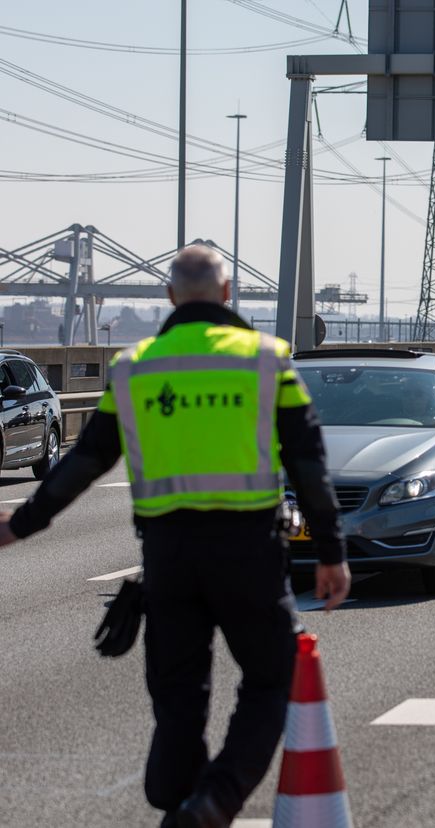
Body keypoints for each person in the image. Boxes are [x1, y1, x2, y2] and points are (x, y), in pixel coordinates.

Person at [0, 245, 350, 828]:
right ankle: (214, 800)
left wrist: (21, 523)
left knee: (179, 693)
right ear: (229, 293)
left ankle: (175, 797)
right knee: (272, 675)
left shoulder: (136, 365)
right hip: (248, 551)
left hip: (168, 556)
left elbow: (87, 459)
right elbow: (309, 462)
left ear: (168, 297)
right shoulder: (266, 359)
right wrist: (333, 553)